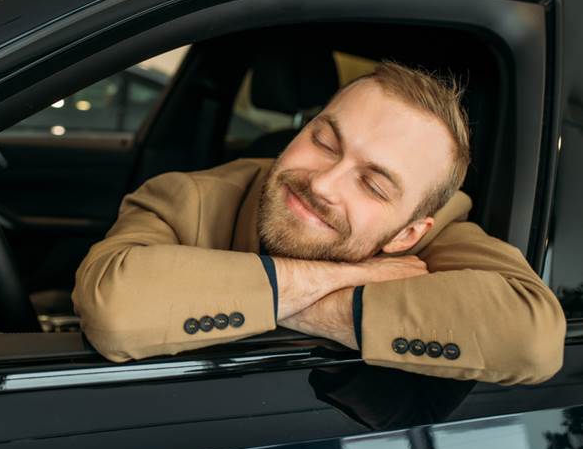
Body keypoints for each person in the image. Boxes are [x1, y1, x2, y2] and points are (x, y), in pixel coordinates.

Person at [72, 62, 565, 385]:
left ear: (408, 234)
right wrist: (341, 276)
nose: (324, 183)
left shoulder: (438, 238)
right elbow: (114, 309)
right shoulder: (187, 197)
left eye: (373, 185)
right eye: (325, 142)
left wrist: (293, 304)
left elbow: (532, 339)